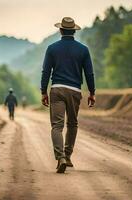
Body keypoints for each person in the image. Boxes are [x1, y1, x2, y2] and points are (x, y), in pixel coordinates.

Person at [40, 17, 96, 173]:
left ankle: (61, 157)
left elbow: (46, 71)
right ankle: (68, 155)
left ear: (60, 30)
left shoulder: (52, 48)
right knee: (72, 124)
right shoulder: (83, 50)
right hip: (74, 91)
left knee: (57, 126)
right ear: (74, 32)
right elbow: (89, 73)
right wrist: (92, 92)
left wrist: (43, 91)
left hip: (57, 89)